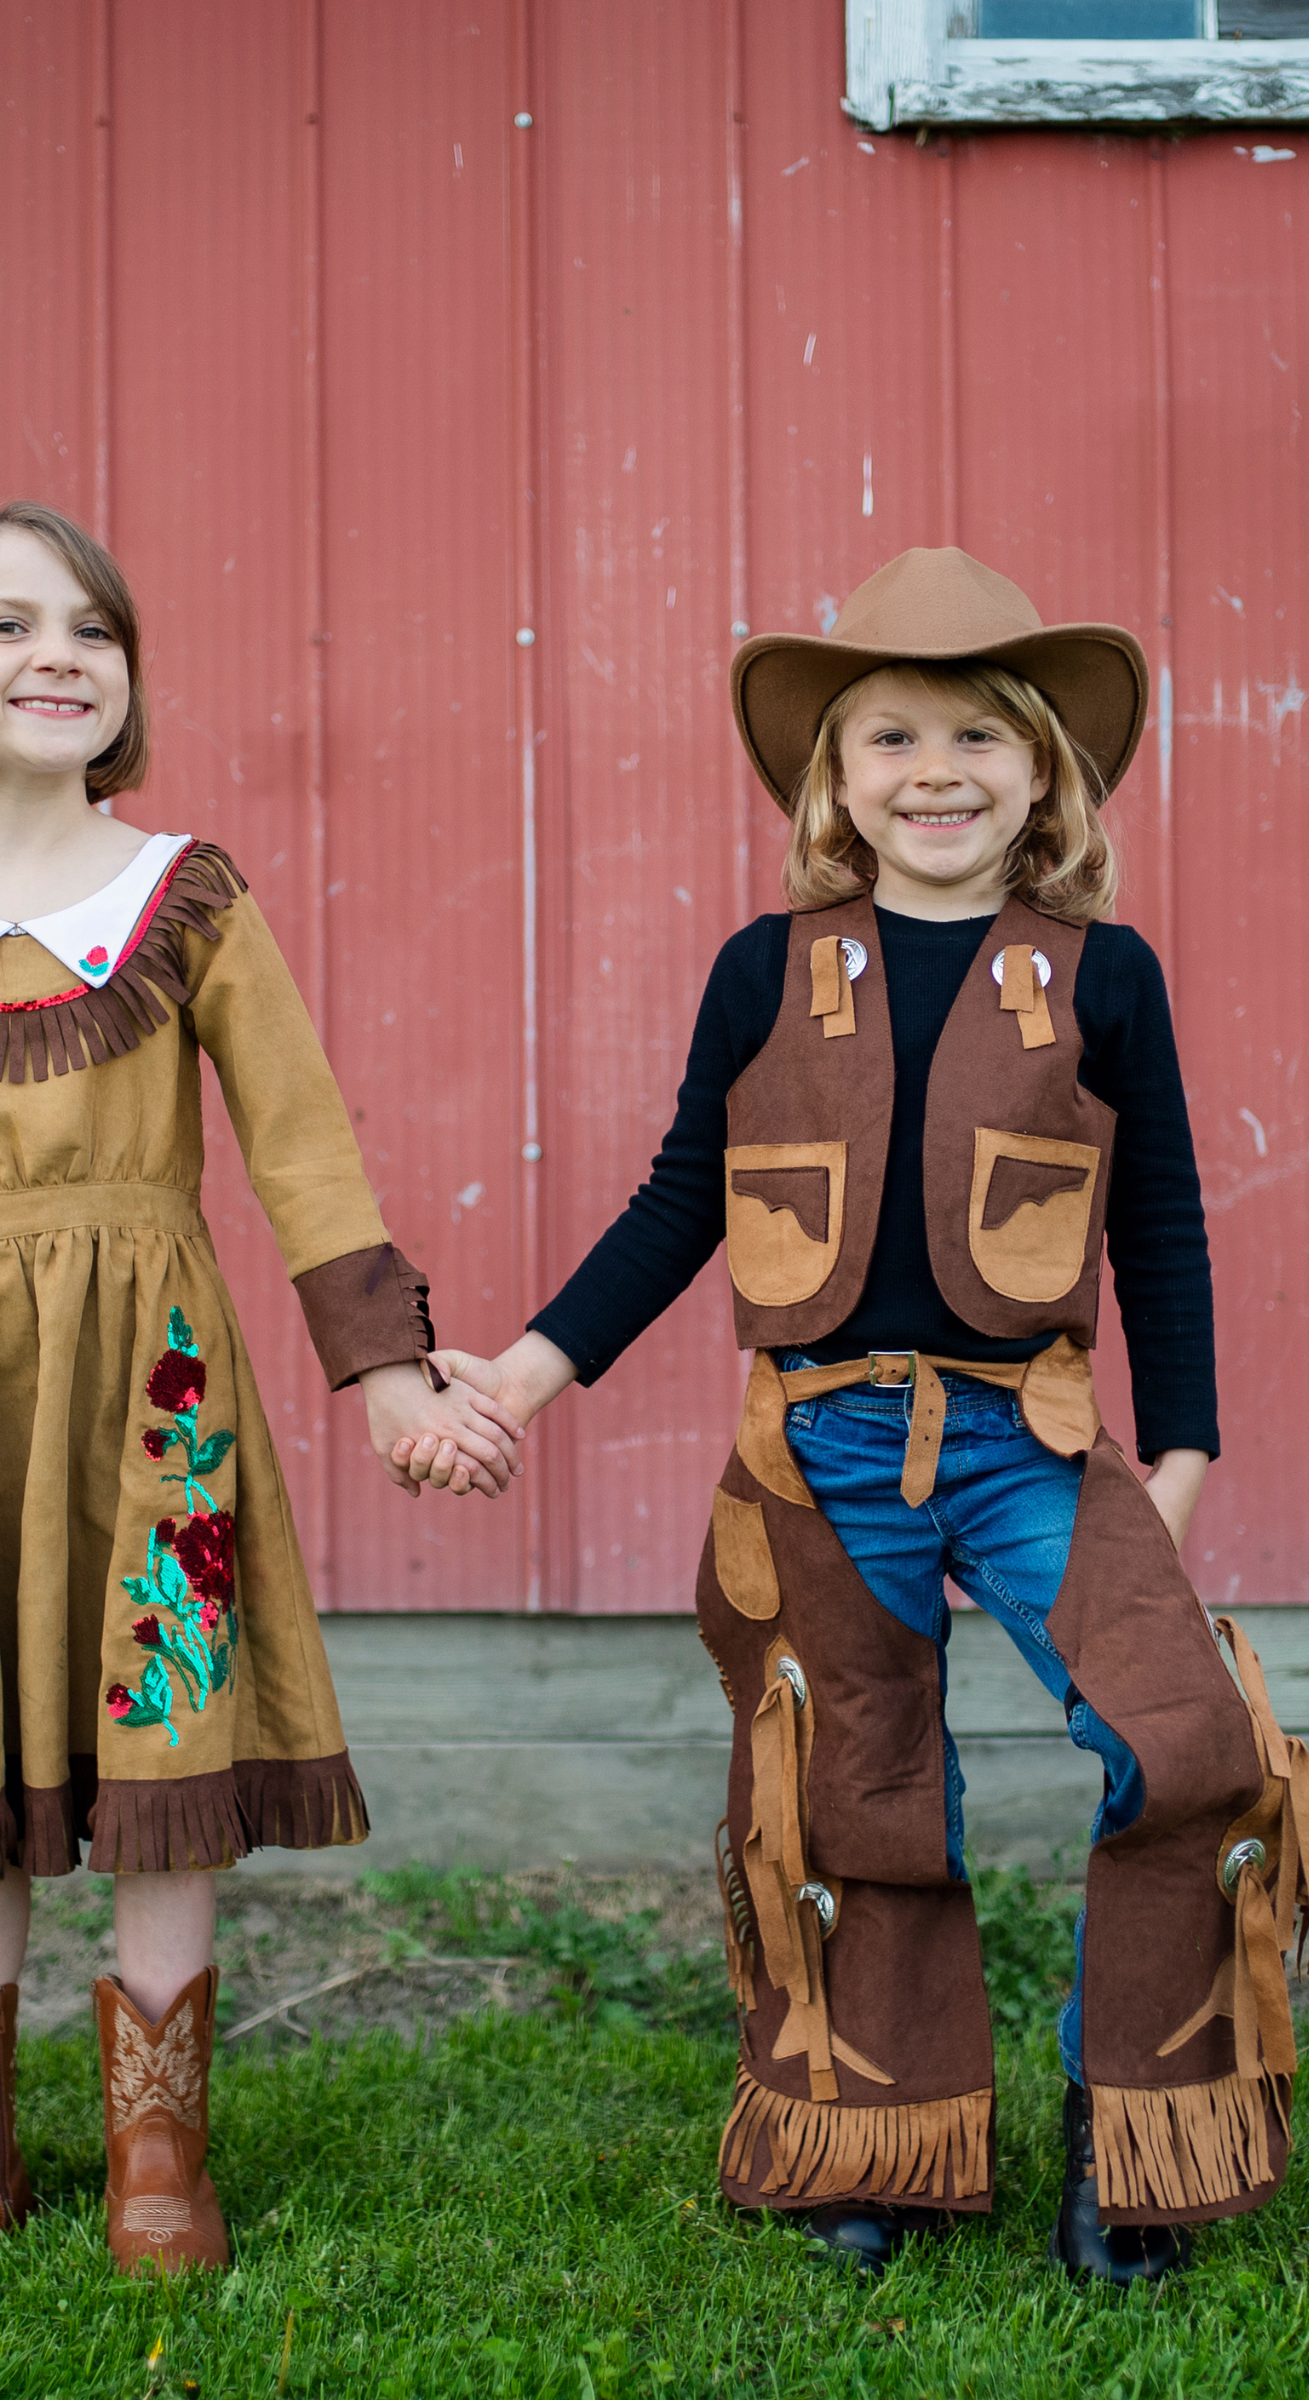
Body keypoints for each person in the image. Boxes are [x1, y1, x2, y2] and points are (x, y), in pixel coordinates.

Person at [405, 549, 1305, 2283]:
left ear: (1044, 769)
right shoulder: (766, 969)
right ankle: (875, 2140)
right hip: (817, 1449)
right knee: (850, 1783)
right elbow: (684, 1199)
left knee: (1190, 1744)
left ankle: (1135, 2140)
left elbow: (1165, 1221)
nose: (935, 771)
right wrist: (524, 1371)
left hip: (1031, 1436)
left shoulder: (1102, 978)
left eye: (978, 733)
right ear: (836, 780)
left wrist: (1177, 1457)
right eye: (890, 735)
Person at [0, 500, 520, 2280]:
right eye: (8, 625)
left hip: (149, 1390)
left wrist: (386, 1374)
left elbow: (303, 1150)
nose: (55, 654)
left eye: (92, 626)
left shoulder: (185, 898)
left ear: (129, 676)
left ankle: (161, 2155)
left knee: (160, 1741)